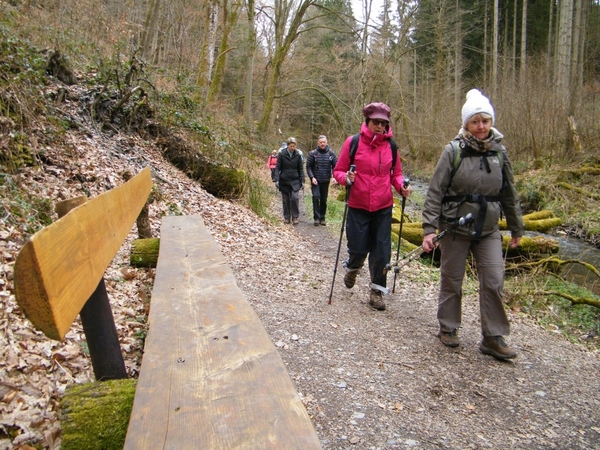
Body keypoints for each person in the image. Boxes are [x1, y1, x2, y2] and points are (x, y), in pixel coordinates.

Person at [421, 89, 524, 361]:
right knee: (452, 279)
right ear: (466, 123)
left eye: (485, 121)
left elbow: (509, 193)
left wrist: (516, 227)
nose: (481, 127)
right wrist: (429, 229)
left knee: (493, 280)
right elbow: (435, 191)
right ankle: (448, 327)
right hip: (455, 226)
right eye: (475, 121)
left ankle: (492, 336)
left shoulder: (500, 153)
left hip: (489, 228)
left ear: (491, 122)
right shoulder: (452, 151)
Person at [333, 102, 411, 311]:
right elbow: (338, 170)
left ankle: (377, 292)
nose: (380, 126)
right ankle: (353, 266)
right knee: (358, 248)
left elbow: (396, 174)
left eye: (383, 123)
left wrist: (401, 186)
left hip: (383, 207)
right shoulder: (353, 143)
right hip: (358, 205)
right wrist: (346, 178)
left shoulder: (391, 147)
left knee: (382, 252)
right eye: (376, 122)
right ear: (367, 121)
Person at [306, 135, 337, 226]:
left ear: (326, 143)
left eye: (324, 142)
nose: (322, 144)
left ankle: (322, 218)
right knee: (315, 197)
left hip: (326, 180)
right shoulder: (313, 154)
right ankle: (316, 218)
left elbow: (336, 166)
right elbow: (308, 167)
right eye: (321, 142)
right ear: (318, 143)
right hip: (316, 180)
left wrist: (334, 176)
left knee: (323, 200)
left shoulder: (331, 153)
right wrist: (312, 177)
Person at [274, 137, 305, 225]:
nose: (292, 148)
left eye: (294, 146)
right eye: (291, 146)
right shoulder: (282, 154)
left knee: (295, 198)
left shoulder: (298, 155)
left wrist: (302, 180)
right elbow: (278, 167)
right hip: (284, 180)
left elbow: (301, 169)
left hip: (295, 180)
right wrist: (276, 179)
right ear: (287, 146)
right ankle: (287, 217)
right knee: (285, 199)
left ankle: (295, 217)